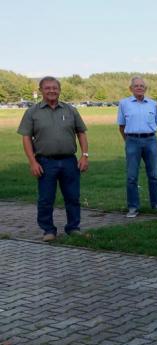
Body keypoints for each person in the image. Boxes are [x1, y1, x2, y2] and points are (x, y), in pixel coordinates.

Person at [17, 76, 89, 242]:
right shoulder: (32, 112)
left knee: (72, 197)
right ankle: (48, 230)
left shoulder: (70, 110)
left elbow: (81, 133)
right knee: (45, 199)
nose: (51, 91)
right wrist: (32, 162)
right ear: (41, 90)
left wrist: (84, 156)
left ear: (59, 90)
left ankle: (73, 227)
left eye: (55, 88)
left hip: (69, 161)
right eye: (47, 88)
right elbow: (26, 137)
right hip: (45, 162)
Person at [118, 76, 157, 218]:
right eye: (136, 85)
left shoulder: (152, 104)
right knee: (132, 176)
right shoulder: (124, 103)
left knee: (154, 175)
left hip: (150, 140)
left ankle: (156, 204)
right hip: (132, 141)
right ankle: (133, 207)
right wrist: (128, 140)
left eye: (142, 86)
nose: (139, 87)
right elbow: (121, 125)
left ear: (145, 88)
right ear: (131, 88)